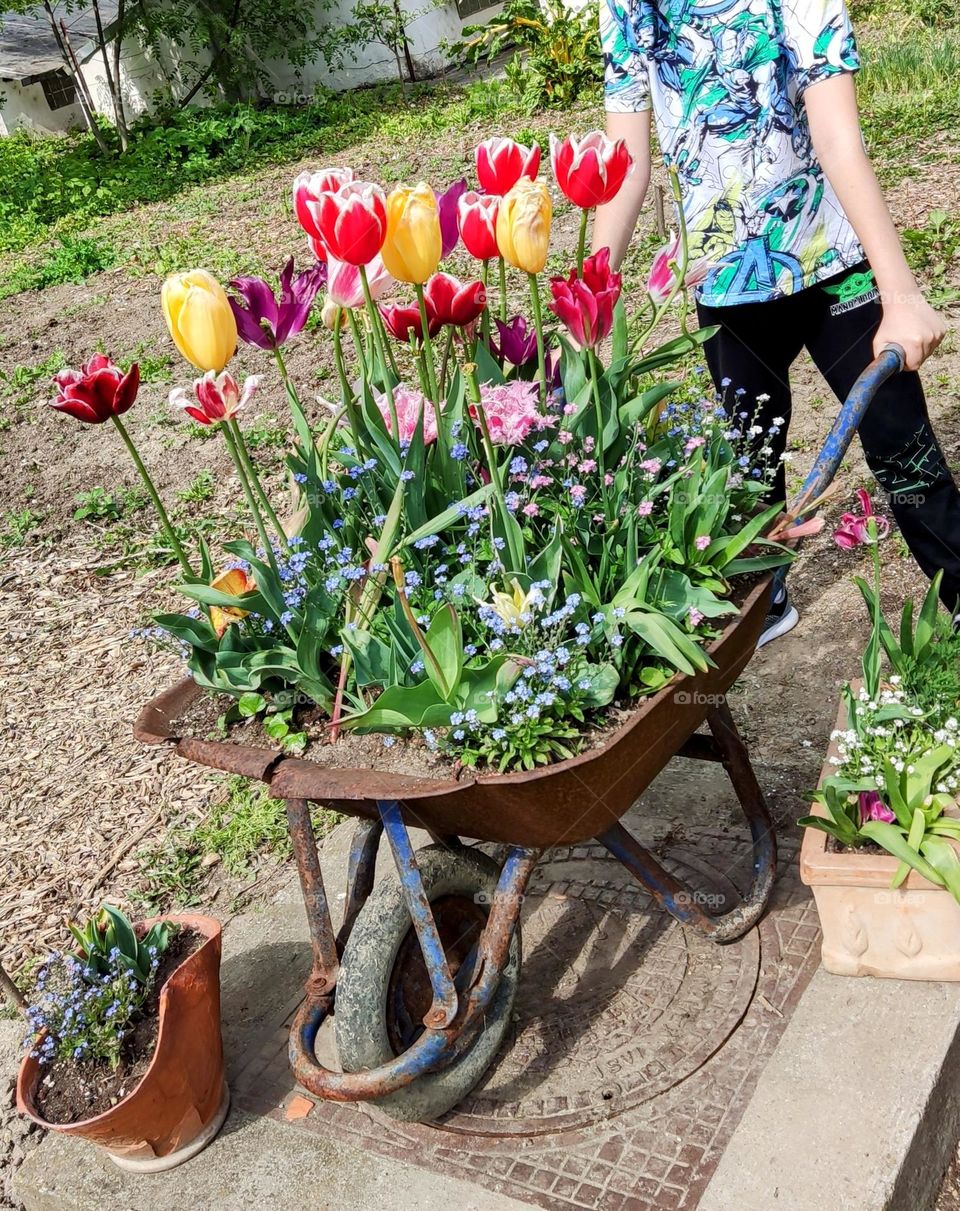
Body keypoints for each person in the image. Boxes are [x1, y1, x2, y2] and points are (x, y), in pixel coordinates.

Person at [593, 0, 959, 645]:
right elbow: (625, 162)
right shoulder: (629, 8)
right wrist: (593, 291)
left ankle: (957, 590)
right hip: (726, 284)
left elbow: (839, 141)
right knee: (752, 458)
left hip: (834, 265)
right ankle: (769, 598)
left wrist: (900, 293)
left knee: (899, 441)